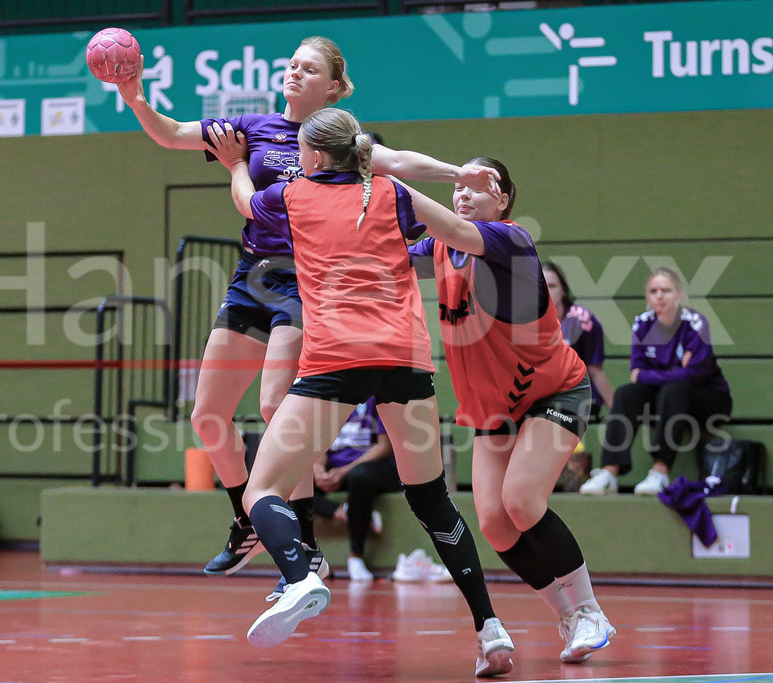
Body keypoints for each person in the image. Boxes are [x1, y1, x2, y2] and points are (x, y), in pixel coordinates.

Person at [117, 36, 502, 575]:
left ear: (334, 88)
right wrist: (135, 97)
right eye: (292, 64)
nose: (296, 72)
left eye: (310, 68)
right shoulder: (254, 128)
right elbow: (173, 132)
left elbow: (401, 162)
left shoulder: (344, 142)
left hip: (306, 284)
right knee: (208, 416)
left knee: (277, 406)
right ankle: (246, 518)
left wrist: (457, 173)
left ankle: (304, 546)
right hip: (250, 281)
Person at [206, 109, 515, 677]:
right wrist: (468, 187)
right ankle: (490, 629)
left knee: (261, 488)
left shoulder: (294, 194)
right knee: (432, 499)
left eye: (300, 150)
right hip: (406, 363)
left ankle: (301, 575)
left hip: (337, 362)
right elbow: (461, 235)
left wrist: (232, 166)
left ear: (316, 157)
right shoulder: (393, 192)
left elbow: (248, 202)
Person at [400, 157, 616, 664]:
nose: (464, 192)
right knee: (496, 523)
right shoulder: (442, 248)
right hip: (492, 409)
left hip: (553, 391)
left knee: (521, 499)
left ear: (504, 199)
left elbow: (428, 216)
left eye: (480, 185)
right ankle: (566, 616)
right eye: (459, 184)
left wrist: (376, 176)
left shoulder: (510, 241)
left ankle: (590, 611)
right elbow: (392, 250)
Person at [579, 267, 733, 496]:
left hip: (709, 398)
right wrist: (671, 372)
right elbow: (636, 374)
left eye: (666, 290)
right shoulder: (642, 323)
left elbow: (694, 375)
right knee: (626, 393)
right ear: (647, 297)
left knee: (675, 390)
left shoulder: (695, 323)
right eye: (653, 291)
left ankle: (659, 472)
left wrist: (651, 375)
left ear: (679, 294)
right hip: (667, 397)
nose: (659, 296)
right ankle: (609, 472)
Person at [312, 397, 399, 582]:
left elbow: (385, 446)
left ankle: (356, 557)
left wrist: (343, 472)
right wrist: (318, 469)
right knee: (293, 477)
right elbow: (321, 447)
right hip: (336, 468)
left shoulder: (377, 397)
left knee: (359, 476)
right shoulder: (330, 400)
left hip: (374, 467)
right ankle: (343, 512)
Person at [542, 261, 614, 421]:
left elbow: (596, 372)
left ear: (563, 290)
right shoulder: (521, 323)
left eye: (552, 286)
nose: (546, 292)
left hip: (579, 397)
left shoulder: (583, 322)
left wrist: (617, 415)